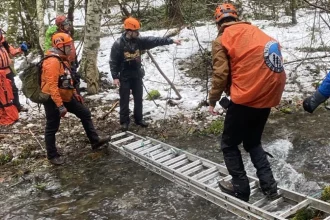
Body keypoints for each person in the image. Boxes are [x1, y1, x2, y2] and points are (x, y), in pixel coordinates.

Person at [208, 3, 286, 202]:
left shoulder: (222, 38)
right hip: (267, 95)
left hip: (246, 96)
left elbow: (221, 73)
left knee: (228, 144)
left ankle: (240, 188)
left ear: (218, 22)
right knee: (252, 142)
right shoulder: (256, 32)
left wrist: (213, 100)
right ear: (236, 17)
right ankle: (270, 187)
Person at [41, 32, 110, 165]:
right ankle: (52, 155)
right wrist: (60, 106)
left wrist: (75, 94)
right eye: (68, 46)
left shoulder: (63, 59)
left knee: (84, 113)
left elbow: (68, 80)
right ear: (60, 46)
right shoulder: (52, 61)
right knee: (52, 126)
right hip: (52, 99)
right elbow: (52, 86)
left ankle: (95, 141)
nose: (71, 48)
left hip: (66, 95)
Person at [110, 17, 181, 131]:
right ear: (128, 31)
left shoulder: (139, 41)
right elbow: (113, 61)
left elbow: (154, 40)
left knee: (138, 98)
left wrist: (171, 41)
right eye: (135, 31)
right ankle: (124, 121)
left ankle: (139, 119)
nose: (138, 33)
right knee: (124, 99)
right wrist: (115, 77)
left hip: (137, 74)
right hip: (124, 76)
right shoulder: (118, 44)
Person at [45, 15, 80, 93]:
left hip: (71, 60)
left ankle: (76, 96)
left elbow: (71, 48)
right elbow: (60, 52)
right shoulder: (58, 37)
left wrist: (74, 59)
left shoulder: (66, 34)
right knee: (70, 81)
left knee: (75, 79)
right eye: (66, 25)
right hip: (64, 63)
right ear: (61, 26)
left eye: (68, 25)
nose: (68, 27)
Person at [0, 28, 28, 112]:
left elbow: (13, 52)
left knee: (13, 89)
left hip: (7, 71)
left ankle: (17, 106)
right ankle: (3, 109)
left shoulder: (4, 44)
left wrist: (21, 49)